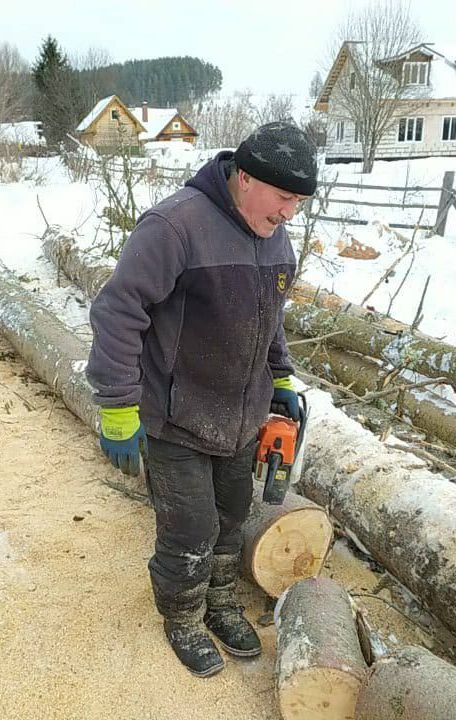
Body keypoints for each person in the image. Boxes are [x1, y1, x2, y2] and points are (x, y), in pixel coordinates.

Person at [86, 122, 317, 677]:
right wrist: (117, 403)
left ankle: (219, 600)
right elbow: (118, 313)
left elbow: (270, 320)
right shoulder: (174, 226)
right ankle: (183, 615)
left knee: (232, 516)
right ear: (244, 177)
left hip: (238, 417)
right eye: (284, 198)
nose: (290, 214)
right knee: (189, 525)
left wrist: (280, 378)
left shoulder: (274, 235)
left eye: (300, 203)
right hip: (176, 415)